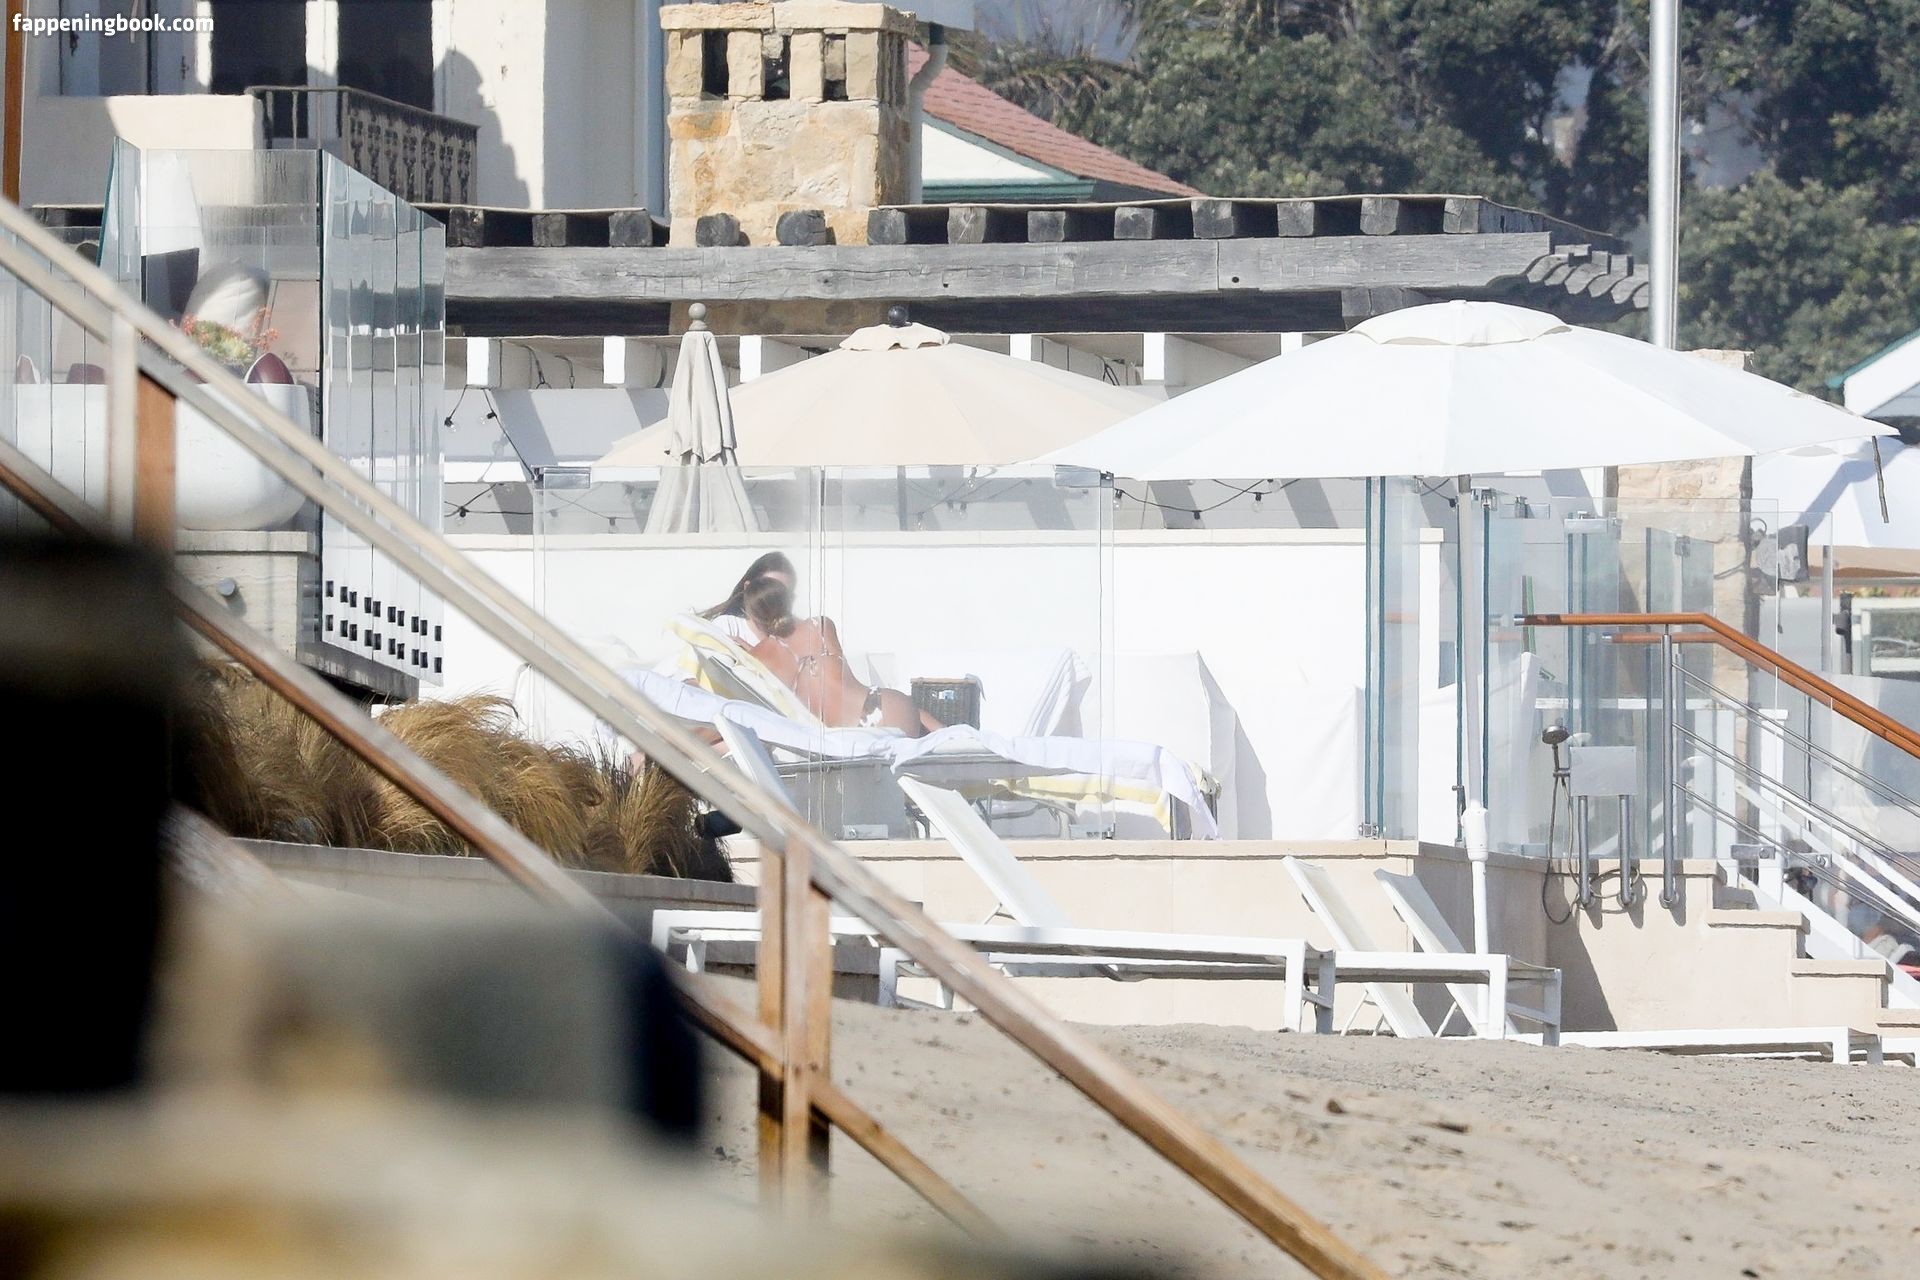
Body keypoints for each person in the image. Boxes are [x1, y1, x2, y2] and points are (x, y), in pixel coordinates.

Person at [741, 574, 941, 736]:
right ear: (787, 601)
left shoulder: (757, 659)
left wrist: (750, 647)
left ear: (755, 619)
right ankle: (950, 737)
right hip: (886, 705)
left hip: (848, 734)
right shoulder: (820, 625)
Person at [699, 551, 796, 645]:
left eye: (784, 595)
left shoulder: (796, 637)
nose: (775, 601)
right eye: (767, 590)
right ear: (748, 588)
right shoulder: (728, 627)